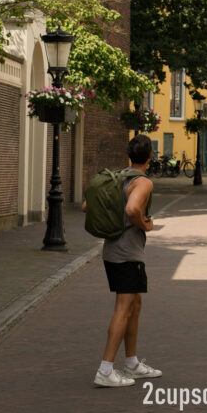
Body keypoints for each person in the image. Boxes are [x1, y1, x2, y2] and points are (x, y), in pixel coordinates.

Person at [84, 134, 163, 388]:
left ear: (131, 155)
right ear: (150, 157)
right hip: (127, 252)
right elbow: (132, 210)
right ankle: (105, 370)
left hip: (112, 250)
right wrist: (146, 224)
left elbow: (87, 206)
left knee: (134, 304)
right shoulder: (142, 182)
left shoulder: (118, 178)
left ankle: (132, 364)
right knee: (123, 308)